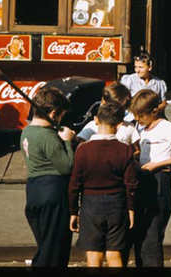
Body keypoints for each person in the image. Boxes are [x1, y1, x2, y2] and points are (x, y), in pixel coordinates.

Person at [69, 102, 139, 267]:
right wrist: (131, 208)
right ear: (120, 124)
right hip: (117, 203)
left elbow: (74, 184)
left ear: (96, 120)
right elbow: (131, 184)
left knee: (94, 255)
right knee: (115, 254)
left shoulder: (82, 149)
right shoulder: (125, 150)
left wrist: (73, 211)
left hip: (90, 205)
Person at [130, 89, 171, 267]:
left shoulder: (166, 127)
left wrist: (158, 164)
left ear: (154, 111)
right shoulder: (139, 127)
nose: (138, 120)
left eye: (141, 116)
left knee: (152, 235)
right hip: (141, 177)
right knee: (139, 233)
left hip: (158, 179)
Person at [20, 86, 76, 267]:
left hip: (34, 190)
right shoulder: (47, 136)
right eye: (61, 115)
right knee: (54, 251)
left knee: (45, 246)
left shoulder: (26, 131)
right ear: (53, 114)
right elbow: (67, 166)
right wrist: (67, 142)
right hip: (53, 192)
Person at [76, 82, 139, 153]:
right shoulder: (93, 125)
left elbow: (136, 150)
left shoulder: (129, 127)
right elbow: (80, 147)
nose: (116, 111)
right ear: (103, 103)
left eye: (121, 108)